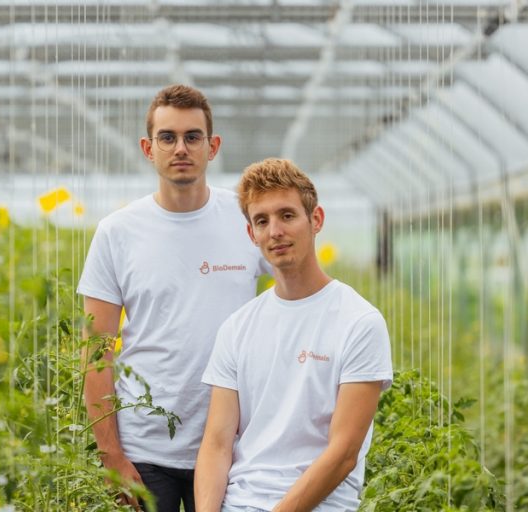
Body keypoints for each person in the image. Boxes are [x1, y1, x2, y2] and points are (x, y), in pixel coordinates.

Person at [78, 85, 269, 512]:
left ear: (212, 146)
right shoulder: (117, 232)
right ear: (148, 148)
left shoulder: (245, 219)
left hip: (231, 444)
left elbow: (299, 285)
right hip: (145, 452)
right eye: (167, 137)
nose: (180, 148)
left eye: (192, 136)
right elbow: (95, 353)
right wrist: (111, 456)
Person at [195, 158, 393, 512]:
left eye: (287, 215)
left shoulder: (359, 322)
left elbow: (344, 453)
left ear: (315, 220)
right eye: (262, 221)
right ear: (251, 234)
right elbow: (217, 443)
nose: (275, 232)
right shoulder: (237, 327)